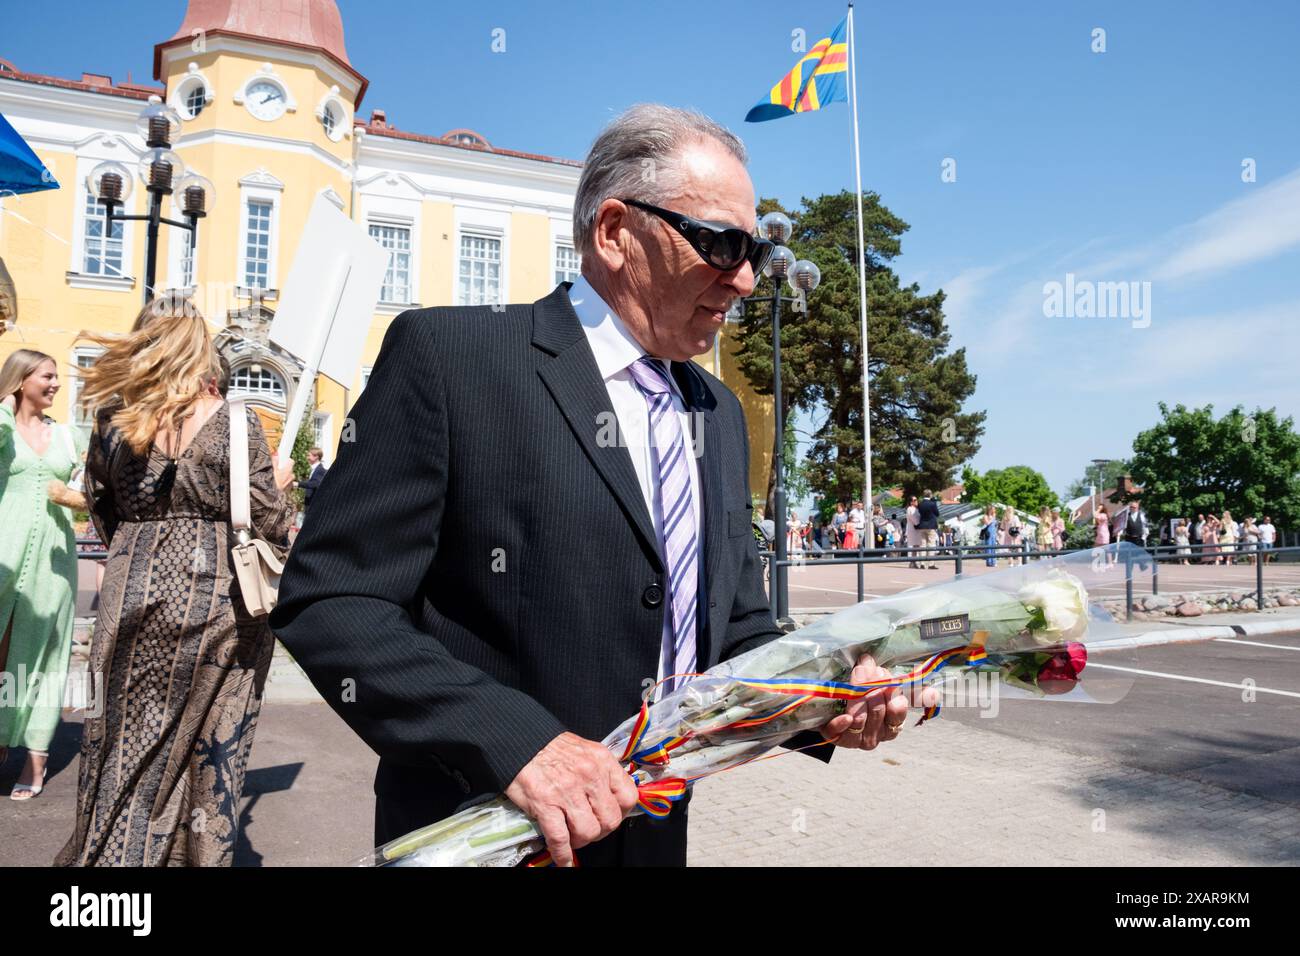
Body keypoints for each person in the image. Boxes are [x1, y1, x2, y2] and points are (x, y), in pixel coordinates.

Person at [269, 105, 926, 868]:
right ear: (615, 231)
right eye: (722, 243)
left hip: (651, 843)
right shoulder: (453, 362)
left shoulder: (717, 414)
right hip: (485, 839)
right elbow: (334, 601)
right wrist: (517, 745)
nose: (746, 278)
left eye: (753, 251)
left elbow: (733, 635)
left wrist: (830, 698)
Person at [55, 298, 296, 867]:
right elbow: (270, 523)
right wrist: (279, 484)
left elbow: (100, 507)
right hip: (219, 596)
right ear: (200, 348)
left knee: (121, 741)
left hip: (131, 585)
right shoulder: (234, 421)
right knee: (209, 745)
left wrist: (139, 547)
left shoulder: (112, 420)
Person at [0, 344, 84, 799]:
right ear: (20, 381)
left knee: (47, 655)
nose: (55, 384)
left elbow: (101, 488)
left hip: (54, 559)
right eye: (45, 376)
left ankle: (35, 758)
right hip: (4, 553)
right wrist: (5, 407)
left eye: (55, 376)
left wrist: (75, 497)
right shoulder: (1, 428)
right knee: (3, 654)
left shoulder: (69, 437)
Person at [916, 490, 940, 569]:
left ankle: (922, 563)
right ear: (930, 495)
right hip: (931, 526)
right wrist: (934, 503)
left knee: (922, 545)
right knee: (931, 544)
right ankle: (931, 564)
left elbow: (919, 513)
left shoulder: (920, 504)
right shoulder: (932, 504)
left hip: (922, 525)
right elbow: (937, 514)